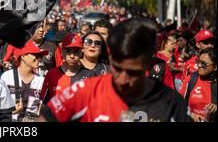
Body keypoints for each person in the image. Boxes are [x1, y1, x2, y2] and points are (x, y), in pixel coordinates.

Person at [39, 18, 192, 122]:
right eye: (118, 69)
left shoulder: (171, 102)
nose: (123, 79)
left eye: (133, 72)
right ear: (111, 60)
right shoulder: (87, 91)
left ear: (148, 64)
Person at [1, 40, 48, 122]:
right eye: (35, 55)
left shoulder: (42, 81)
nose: (39, 59)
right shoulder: (6, 77)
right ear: (23, 56)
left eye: (40, 56)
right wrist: (11, 111)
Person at [41, 33, 95, 102]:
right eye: (68, 51)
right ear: (62, 51)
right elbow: (43, 103)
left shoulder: (90, 75)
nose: (72, 56)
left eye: (76, 51)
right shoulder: (51, 74)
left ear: (81, 52)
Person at [180, 48, 216, 122]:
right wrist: (191, 114)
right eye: (198, 62)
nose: (199, 66)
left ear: (215, 67)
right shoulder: (191, 79)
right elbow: (179, 104)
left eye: (204, 64)